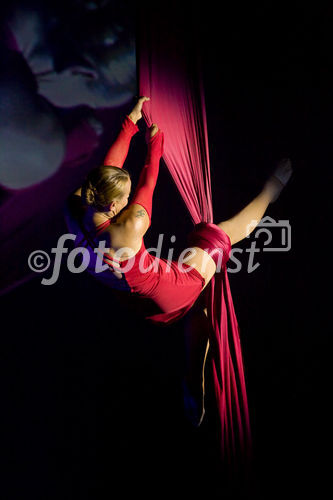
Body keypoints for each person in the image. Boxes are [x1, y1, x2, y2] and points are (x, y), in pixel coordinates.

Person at [64, 96, 292, 422]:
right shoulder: (130, 226)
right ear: (115, 207)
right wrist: (155, 143)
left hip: (135, 296)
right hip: (162, 288)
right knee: (218, 237)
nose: (129, 202)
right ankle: (274, 188)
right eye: (125, 200)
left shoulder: (74, 209)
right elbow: (148, 179)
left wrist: (129, 125)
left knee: (198, 309)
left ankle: (192, 376)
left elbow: (108, 172)